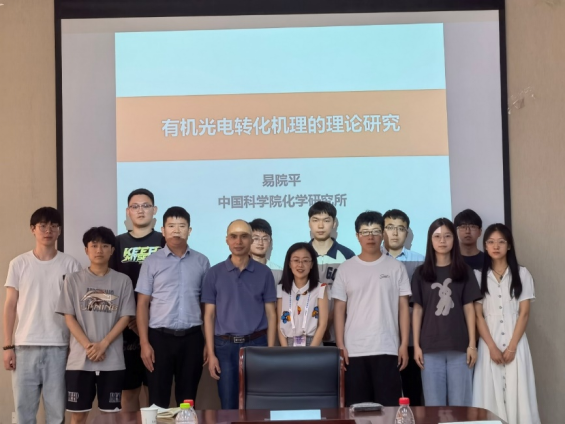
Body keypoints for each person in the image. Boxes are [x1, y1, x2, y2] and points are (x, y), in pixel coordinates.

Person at [3, 207, 82, 424]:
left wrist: (74, 347)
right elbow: (10, 306)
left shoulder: (71, 264)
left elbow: (76, 310)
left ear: (59, 231)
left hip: (59, 347)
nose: (48, 231)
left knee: (56, 414)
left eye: (54, 226)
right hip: (24, 347)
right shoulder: (19, 263)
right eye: (43, 226)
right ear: (33, 229)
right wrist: (8, 346)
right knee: (24, 414)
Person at [56, 227, 135, 424]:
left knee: (110, 416)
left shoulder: (123, 281)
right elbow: (69, 317)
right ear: (86, 250)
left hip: (112, 360)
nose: (99, 250)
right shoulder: (72, 280)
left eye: (105, 246)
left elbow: (125, 317)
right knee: (78, 416)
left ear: (112, 250)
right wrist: (89, 347)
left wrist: (103, 345)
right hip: (80, 360)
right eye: (94, 245)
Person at [333, 211, 411, 406]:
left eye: (375, 231)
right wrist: (340, 345)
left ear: (383, 234)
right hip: (354, 351)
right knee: (356, 409)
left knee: (389, 409)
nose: (370, 236)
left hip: (387, 348)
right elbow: (339, 310)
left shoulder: (396, 267)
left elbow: (403, 308)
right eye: (365, 232)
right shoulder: (345, 268)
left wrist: (404, 344)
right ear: (357, 236)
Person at [136, 207, 210, 408]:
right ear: (163, 230)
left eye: (181, 226)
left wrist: (207, 342)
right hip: (159, 340)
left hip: (192, 339)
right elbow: (142, 304)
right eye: (171, 226)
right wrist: (144, 343)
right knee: (157, 401)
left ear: (189, 230)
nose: (176, 230)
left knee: (187, 400)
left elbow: (207, 306)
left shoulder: (202, 262)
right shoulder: (151, 262)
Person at [202, 220, 277, 409]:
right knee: (229, 405)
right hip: (225, 347)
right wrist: (211, 353)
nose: (238, 241)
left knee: (258, 404)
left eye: (244, 236)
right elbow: (209, 316)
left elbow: (271, 314)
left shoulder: (264, 273)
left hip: (257, 345)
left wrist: (270, 351)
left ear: (251, 240)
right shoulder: (214, 273)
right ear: (227, 240)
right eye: (233, 236)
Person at [473, 224, 540, 424]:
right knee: (489, 392)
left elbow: (524, 313)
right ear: (485, 246)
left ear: (509, 245)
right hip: (489, 341)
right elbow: (478, 316)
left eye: (501, 242)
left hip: (516, 340)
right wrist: (492, 347)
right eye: (491, 242)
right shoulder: (478, 275)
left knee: (518, 391)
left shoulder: (522, 273)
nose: (496, 246)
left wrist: (512, 347)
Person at [411, 218, 482, 407]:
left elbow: (469, 308)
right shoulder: (420, 273)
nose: (442, 241)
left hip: (460, 347)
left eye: (447, 236)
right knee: (434, 406)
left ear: (454, 239)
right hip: (430, 348)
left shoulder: (464, 271)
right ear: (430, 240)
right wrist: (416, 346)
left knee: (461, 406)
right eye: (437, 236)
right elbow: (417, 310)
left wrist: (472, 345)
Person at [110, 188, 164, 411]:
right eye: (135, 206)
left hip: (159, 325)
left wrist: (146, 317)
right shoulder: (117, 243)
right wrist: (130, 317)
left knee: (156, 392)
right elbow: (110, 283)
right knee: (129, 392)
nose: (140, 210)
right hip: (125, 327)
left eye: (145, 206)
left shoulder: (165, 240)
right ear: (127, 211)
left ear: (154, 210)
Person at [382, 209, 424, 406]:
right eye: (390, 227)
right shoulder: (371, 259)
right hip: (382, 336)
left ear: (407, 233)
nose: (395, 233)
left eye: (400, 228)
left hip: (413, 337)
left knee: (412, 391)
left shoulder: (421, 261)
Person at [308, 201, 355, 346]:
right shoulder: (301, 255)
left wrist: (328, 322)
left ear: (334, 223)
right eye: (315, 220)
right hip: (306, 333)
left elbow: (351, 294)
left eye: (326, 220)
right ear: (309, 223)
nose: (320, 226)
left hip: (340, 334)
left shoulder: (347, 255)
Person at [277, 243, 328, 347]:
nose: (300, 265)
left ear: (312, 264)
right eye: (296, 260)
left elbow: (322, 325)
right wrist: (285, 350)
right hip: (288, 343)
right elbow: (279, 323)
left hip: (314, 343)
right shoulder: (281, 289)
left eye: (305, 261)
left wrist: (311, 351)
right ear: (289, 264)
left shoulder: (321, 288)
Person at [249, 218, 283, 283]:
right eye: (256, 238)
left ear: (270, 242)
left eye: (265, 239)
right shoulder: (241, 268)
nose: (260, 243)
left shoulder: (278, 271)